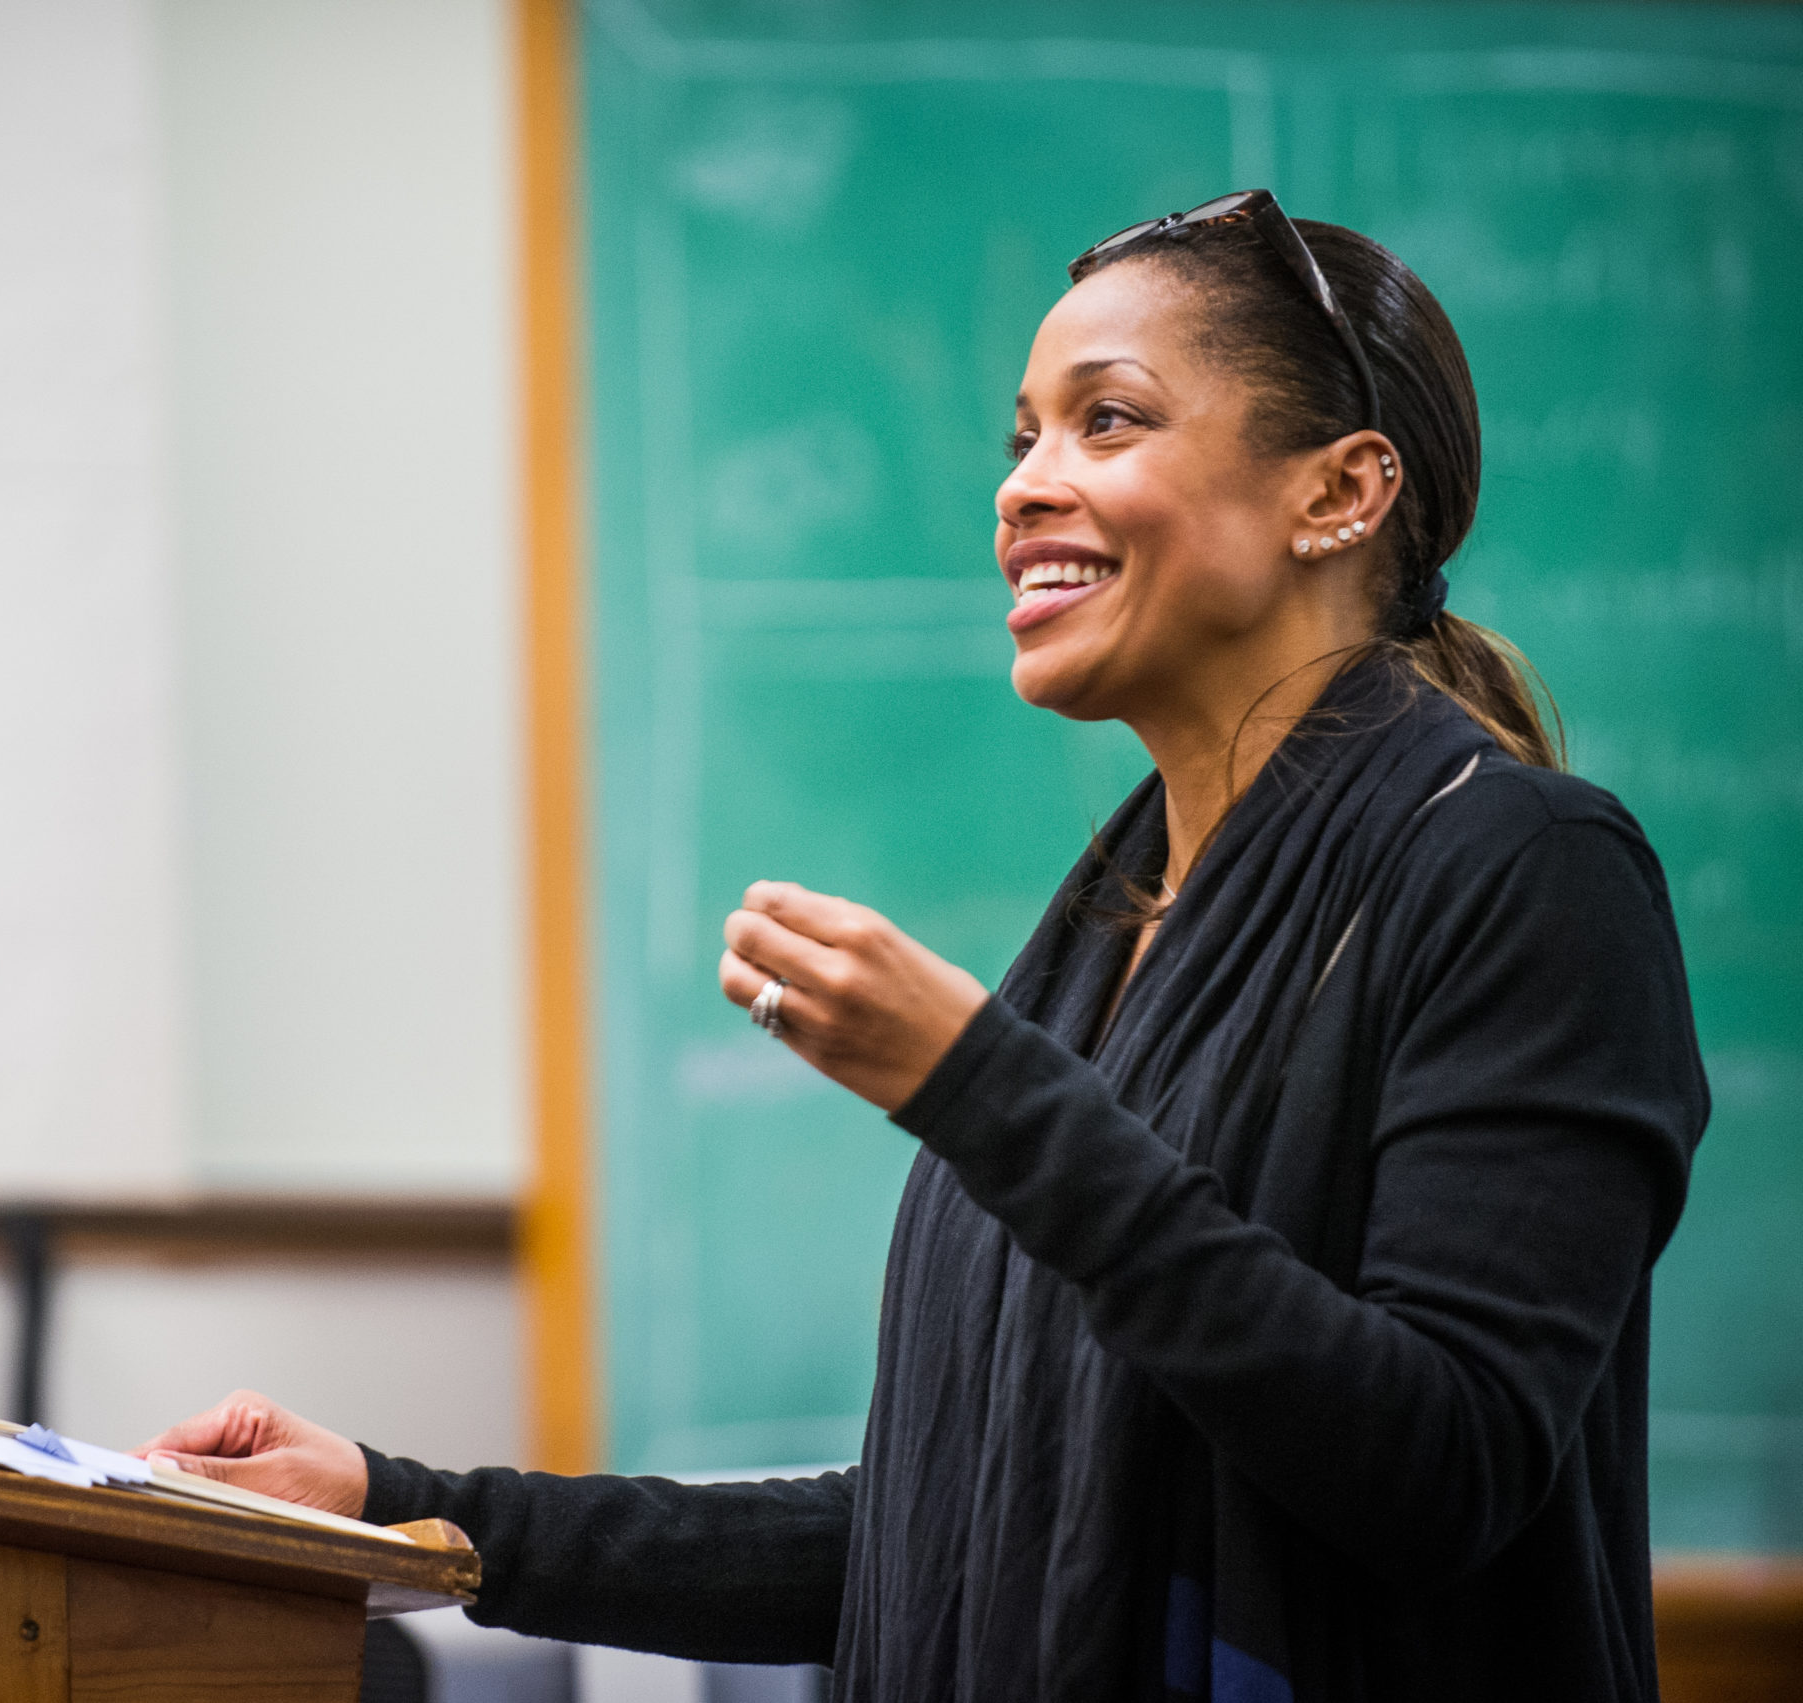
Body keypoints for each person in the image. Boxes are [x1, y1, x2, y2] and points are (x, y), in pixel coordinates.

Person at [139, 193, 1709, 1703]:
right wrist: (400, 1505)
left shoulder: (1526, 870)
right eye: (1023, 435)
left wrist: (985, 1094)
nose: (1026, 484)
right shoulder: (1119, 930)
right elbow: (937, 1534)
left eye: (1109, 419)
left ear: (1339, 494)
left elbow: (1441, 1469)